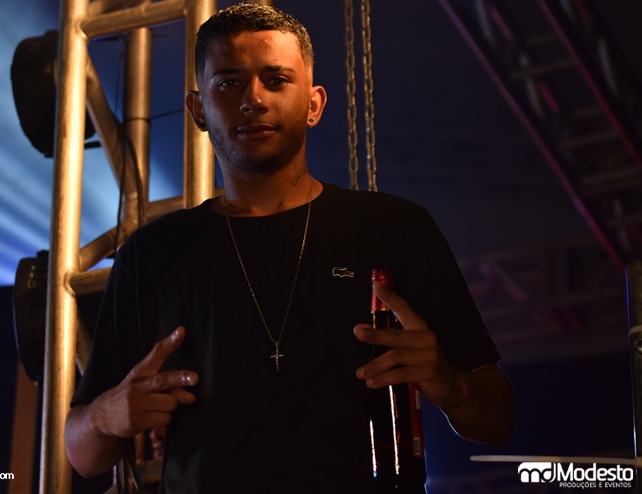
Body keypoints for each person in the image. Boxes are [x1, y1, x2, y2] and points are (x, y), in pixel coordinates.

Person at [65, 4, 516, 493]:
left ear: (314, 104)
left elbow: (497, 419)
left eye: (276, 79)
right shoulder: (152, 253)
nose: (253, 99)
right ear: (198, 110)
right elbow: (82, 454)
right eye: (229, 82)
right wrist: (107, 415)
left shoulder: (396, 228)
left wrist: (450, 385)